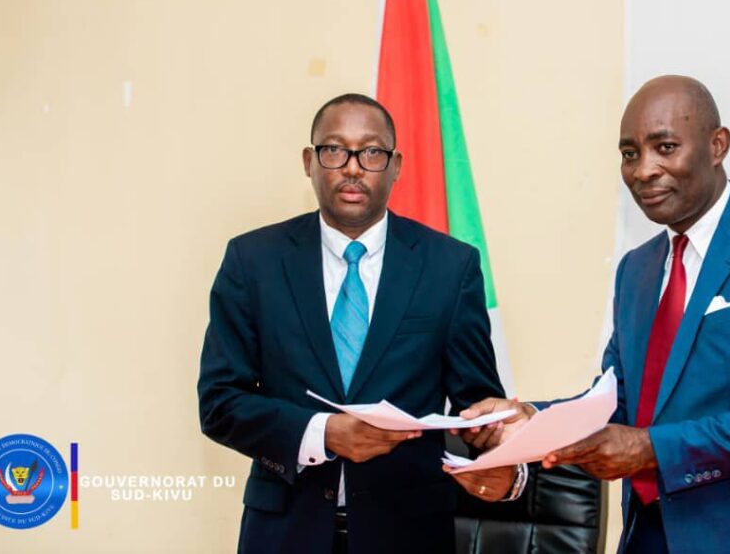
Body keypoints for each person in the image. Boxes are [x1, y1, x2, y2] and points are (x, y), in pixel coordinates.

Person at [459, 76, 730, 553]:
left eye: (665, 147)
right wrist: (528, 418)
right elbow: (616, 400)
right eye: (630, 153)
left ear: (718, 145)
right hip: (650, 534)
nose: (643, 170)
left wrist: (652, 449)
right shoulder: (636, 270)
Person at [197, 93, 519, 554]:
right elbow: (220, 402)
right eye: (334, 150)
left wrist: (504, 458)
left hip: (408, 534)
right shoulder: (253, 262)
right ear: (309, 162)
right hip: (284, 533)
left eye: (371, 152)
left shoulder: (450, 267)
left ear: (396, 166)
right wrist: (323, 433)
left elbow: (476, 407)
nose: (352, 168)